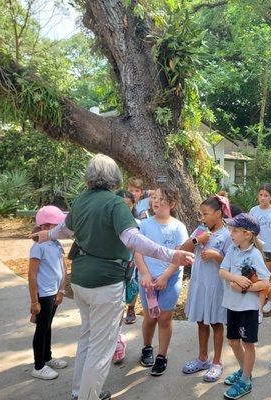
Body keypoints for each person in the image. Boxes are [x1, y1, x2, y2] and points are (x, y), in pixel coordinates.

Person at [32, 154, 194, 400]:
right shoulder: (115, 204)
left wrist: (49, 235)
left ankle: (81, 392)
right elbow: (133, 239)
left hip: (81, 281)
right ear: (114, 177)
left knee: (87, 336)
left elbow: (66, 227)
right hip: (104, 284)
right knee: (102, 344)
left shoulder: (82, 200)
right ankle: (89, 395)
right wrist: (171, 254)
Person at [135, 185, 188, 376]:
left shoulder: (178, 227)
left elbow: (180, 255)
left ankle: (161, 356)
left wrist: (166, 276)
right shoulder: (144, 225)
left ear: (172, 204)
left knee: (165, 318)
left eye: (161, 198)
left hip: (170, 279)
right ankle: (147, 347)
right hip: (147, 280)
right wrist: (145, 274)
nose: (156, 201)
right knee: (150, 317)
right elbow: (138, 251)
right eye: (155, 197)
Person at [180, 195, 232, 383]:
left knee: (216, 323)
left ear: (218, 214)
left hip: (216, 287)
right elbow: (182, 248)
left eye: (206, 214)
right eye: (201, 214)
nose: (202, 218)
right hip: (199, 284)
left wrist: (217, 256)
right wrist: (196, 240)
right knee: (201, 321)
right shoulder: (200, 231)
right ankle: (203, 358)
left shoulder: (227, 235)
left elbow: (232, 264)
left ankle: (217, 362)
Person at [219, 213, 271, 399]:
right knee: (233, 342)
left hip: (248, 308)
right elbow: (222, 271)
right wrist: (236, 279)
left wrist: (243, 288)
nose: (230, 233)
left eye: (234, 230)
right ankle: (244, 372)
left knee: (247, 344)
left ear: (247, 235)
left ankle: (246, 380)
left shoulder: (255, 254)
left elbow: (265, 283)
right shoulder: (232, 250)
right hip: (232, 305)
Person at [28, 206, 68, 380]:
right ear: (44, 226)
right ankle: (38, 366)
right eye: (56, 226)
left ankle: (47, 357)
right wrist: (33, 301)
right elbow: (32, 274)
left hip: (54, 292)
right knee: (42, 329)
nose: (59, 229)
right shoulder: (39, 246)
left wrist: (62, 290)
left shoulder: (56, 243)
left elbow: (62, 267)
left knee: (48, 326)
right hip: (43, 294)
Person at [112, 189, 140, 364]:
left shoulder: (137, 224)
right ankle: (116, 341)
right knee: (113, 310)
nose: (123, 209)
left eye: (127, 206)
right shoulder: (106, 224)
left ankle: (117, 342)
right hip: (110, 273)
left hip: (129, 271)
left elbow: (140, 248)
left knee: (122, 304)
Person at [249, 183, 271, 315]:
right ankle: (270, 299)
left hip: (270, 249)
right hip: (256, 248)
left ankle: (259, 310)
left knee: (264, 278)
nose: (262, 198)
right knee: (256, 277)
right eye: (261, 195)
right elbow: (250, 230)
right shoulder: (253, 210)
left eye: (266, 195)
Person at [124, 179, 149, 324]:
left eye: (137, 191)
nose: (134, 193)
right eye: (131, 190)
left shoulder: (143, 211)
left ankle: (131, 307)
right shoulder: (121, 202)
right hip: (122, 254)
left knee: (134, 279)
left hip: (137, 252)